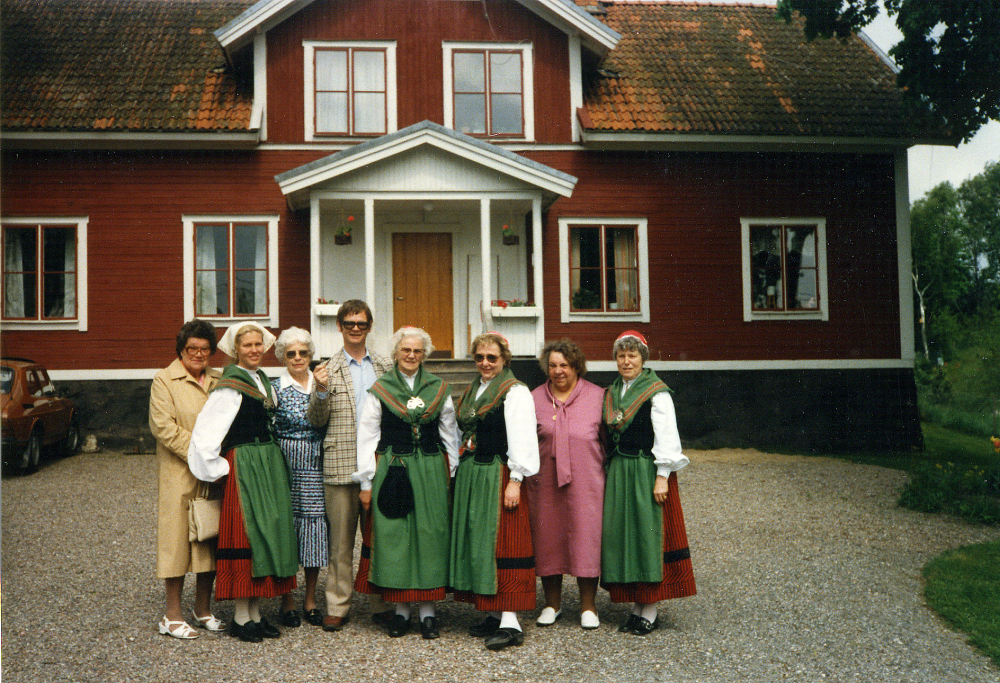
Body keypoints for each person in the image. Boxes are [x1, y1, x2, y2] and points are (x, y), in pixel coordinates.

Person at [188, 321, 299, 643]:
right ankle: (240, 616)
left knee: (267, 535)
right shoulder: (230, 385)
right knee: (249, 535)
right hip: (246, 465)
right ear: (235, 349)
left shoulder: (261, 379)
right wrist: (224, 469)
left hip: (268, 464)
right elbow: (205, 437)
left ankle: (255, 613)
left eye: (257, 344)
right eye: (246, 345)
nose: (253, 350)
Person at [353, 327, 459, 639]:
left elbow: (449, 433)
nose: (411, 356)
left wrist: (451, 472)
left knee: (430, 535)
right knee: (396, 536)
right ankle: (400, 612)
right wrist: (365, 482)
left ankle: (428, 613)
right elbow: (367, 437)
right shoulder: (381, 389)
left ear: (423, 354)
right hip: (393, 468)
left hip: (429, 470)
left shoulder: (438, 388)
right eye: (405, 351)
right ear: (397, 354)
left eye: (416, 351)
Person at [601, 330, 696, 636]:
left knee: (647, 535)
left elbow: (667, 438)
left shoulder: (656, 392)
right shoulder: (614, 391)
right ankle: (636, 606)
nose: (626, 361)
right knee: (624, 536)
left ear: (643, 358)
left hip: (645, 469)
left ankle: (651, 609)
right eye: (621, 355)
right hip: (619, 470)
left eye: (632, 355)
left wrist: (662, 476)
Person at [450, 332, 539, 651]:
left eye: (492, 358)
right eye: (479, 358)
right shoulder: (475, 388)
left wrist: (516, 479)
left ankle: (511, 622)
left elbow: (524, 436)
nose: (485, 363)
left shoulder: (514, 391)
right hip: (474, 472)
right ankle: (492, 611)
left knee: (503, 541)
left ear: (505, 360)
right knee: (480, 539)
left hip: (499, 473)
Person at [307, 300, 393, 631]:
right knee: (340, 544)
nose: (355, 328)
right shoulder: (326, 369)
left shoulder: (386, 366)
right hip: (340, 466)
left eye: (361, 323)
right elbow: (315, 420)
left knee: (379, 540)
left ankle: (381, 602)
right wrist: (322, 390)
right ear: (339, 327)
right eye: (348, 323)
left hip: (379, 466)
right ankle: (338, 604)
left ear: (370, 326)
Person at [149, 319, 224, 639]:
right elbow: (163, 428)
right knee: (177, 542)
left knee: (209, 536)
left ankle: (202, 609)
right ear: (181, 349)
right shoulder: (164, 380)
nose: (198, 354)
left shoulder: (220, 379)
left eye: (204, 349)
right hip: (180, 473)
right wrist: (200, 456)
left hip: (214, 473)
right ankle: (172, 615)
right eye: (192, 348)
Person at [525, 339, 605, 630]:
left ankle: (588, 606)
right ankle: (552, 604)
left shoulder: (598, 397)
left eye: (565, 365)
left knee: (586, 537)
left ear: (576, 367)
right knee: (549, 538)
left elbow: (608, 440)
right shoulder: (533, 398)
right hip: (544, 480)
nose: (558, 371)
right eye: (553, 365)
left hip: (587, 480)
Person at [272, 327, 328, 628]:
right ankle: (287, 600)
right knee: (288, 527)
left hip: (317, 462)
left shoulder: (321, 383)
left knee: (314, 528)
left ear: (310, 355)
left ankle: (310, 599)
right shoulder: (275, 387)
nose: (297, 358)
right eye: (291, 353)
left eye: (303, 353)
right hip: (286, 463)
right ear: (283, 356)